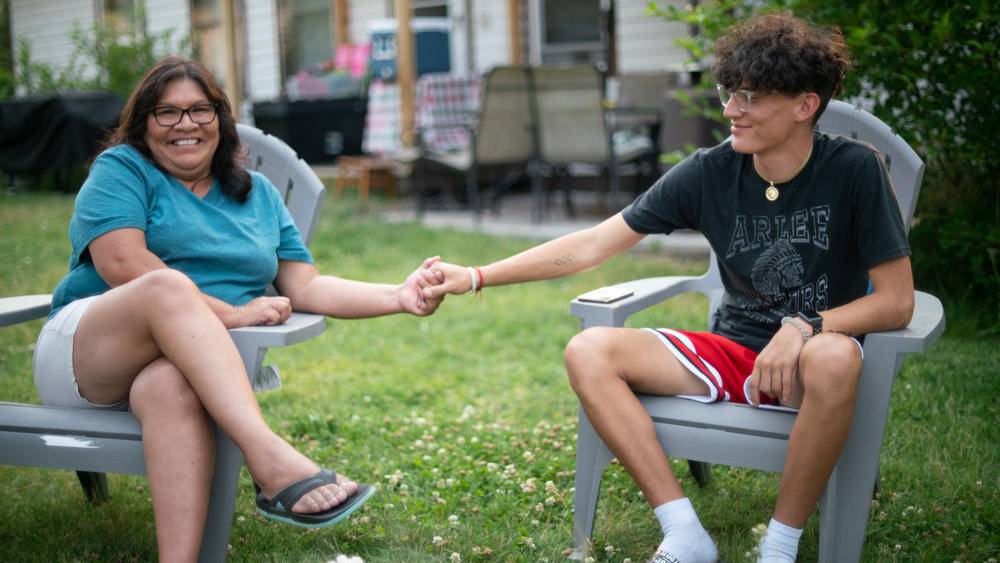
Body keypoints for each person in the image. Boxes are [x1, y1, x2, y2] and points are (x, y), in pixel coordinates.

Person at [422, 13, 914, 563]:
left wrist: (806, 327)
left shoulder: (854, 170)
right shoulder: (709, 172)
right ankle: (684, 533)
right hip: (734, 354)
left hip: (816, 364)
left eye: (750, 97)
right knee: (589, 350)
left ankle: (779, 547)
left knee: (834, 360)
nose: (730, 110)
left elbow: (896, 301)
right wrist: (476, 276)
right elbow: (591, 245)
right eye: (731, 92)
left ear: (804, 106)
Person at [33, 56, 444, 562]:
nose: (185, 123)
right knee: (166, 286)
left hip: (185, 369)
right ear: (144, 124)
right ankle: (268, 456)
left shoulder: (260, 195)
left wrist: (397, 296)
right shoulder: (122, 169)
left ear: (221, 120)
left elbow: (306, 285)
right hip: (88, 357)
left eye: (199, 110)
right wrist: (229, 315)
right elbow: (122, 262)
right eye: (166, 113)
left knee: (171, 382)